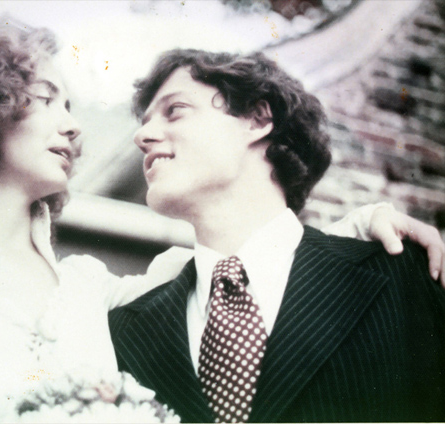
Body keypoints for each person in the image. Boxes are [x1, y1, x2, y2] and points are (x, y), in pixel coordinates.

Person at [0, 20, 442, 423]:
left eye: (73, 104)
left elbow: (254, 260)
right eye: (46, 100)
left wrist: (359, 227)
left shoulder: (94, 293)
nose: (77, 125)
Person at [109, 49, 445, 423]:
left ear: (257, 118)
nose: (142, 135)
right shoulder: (123, 330)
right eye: (145, 121)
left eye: (174, 110)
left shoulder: (403, 280)